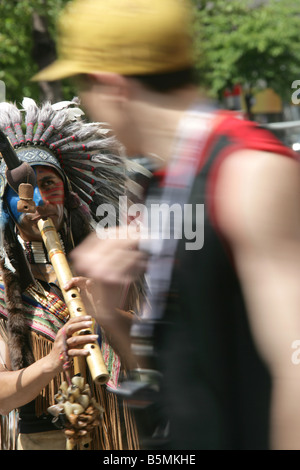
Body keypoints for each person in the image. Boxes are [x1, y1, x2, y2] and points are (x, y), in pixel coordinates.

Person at [33, 0, 300, 450]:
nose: (88, 104)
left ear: (112, 86)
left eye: (85, 87)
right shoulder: (166, 184)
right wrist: (107, 313)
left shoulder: (248, 172)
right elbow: (186, 378)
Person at [0, 99, 140, 450]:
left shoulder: (111, 262)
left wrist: (106, 314)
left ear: (69, 194)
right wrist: (51, 362)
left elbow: (160, 359)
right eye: (25, 192)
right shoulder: (2, 285)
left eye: (49, 184)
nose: (39, 200)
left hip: (120, 439)